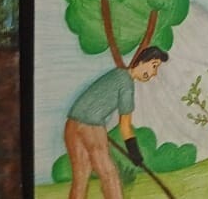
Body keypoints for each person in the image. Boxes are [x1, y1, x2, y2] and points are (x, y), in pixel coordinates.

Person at [63, 45, 167, 199]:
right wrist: (135, 154)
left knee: (81, 178)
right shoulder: (126, 84)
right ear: (142, 61)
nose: (154, 73)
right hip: (91, 127)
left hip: (72, 125)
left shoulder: (117, 74)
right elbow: (125, 126)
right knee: (109, 175)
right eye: (154, 66)